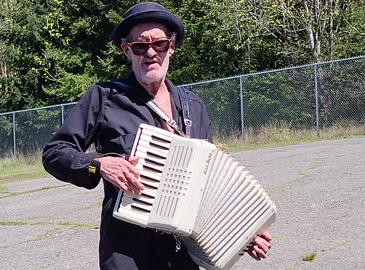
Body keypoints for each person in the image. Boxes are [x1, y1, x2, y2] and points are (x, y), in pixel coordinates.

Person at [42, 2, 272, 269]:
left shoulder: (193, 105)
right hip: (128, 252)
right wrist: (99, 164)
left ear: (171, 47)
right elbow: (55, 152)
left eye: (159, 44)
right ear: (127, 51)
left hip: (183, 254)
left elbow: (210, 183)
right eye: (140, 46)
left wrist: (244, 233)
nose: (150, 52)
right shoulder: (105, 98)